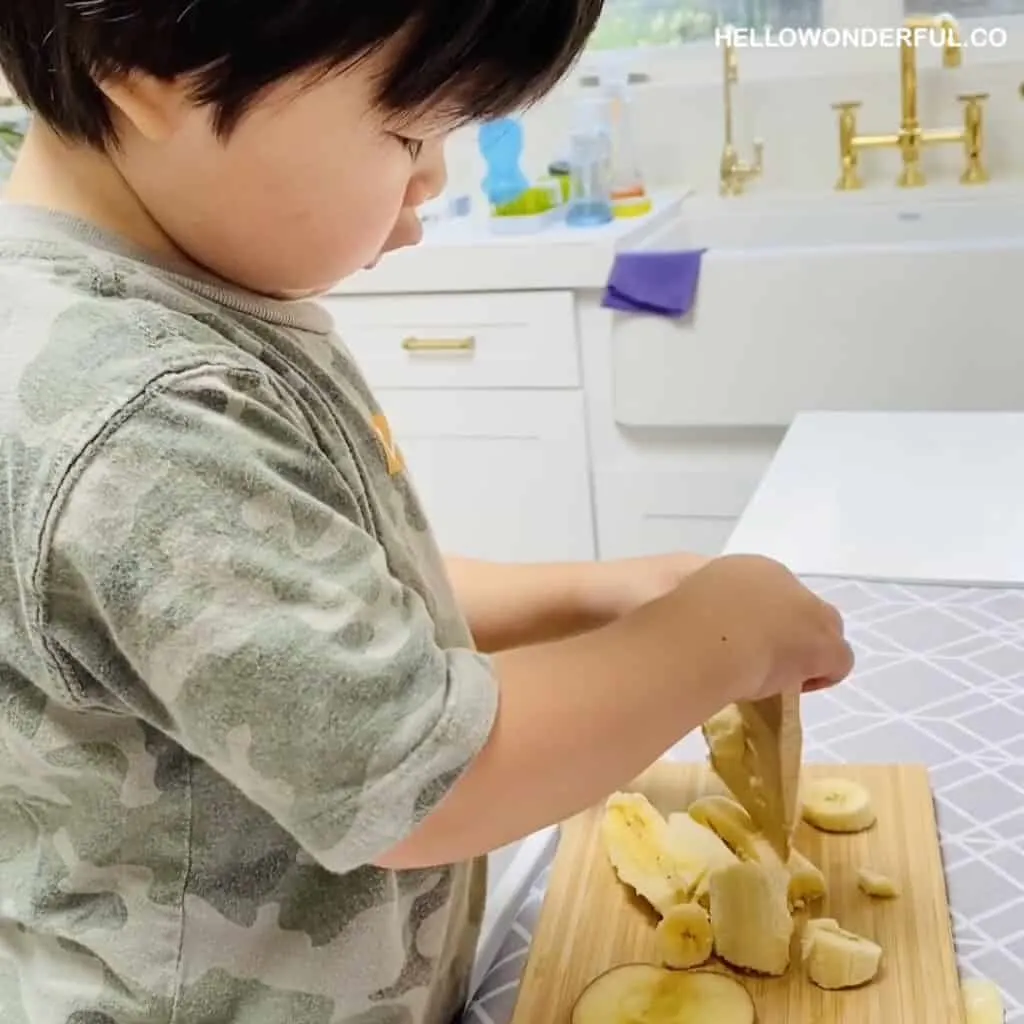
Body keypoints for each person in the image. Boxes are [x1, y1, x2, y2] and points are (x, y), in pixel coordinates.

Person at [0, 1, 855, 1021]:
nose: (432, 181)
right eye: (408, 132)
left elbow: (336, 603)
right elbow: (418, 779)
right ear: (151, 70)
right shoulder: (139, 412)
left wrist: (586, 592)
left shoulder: (174, 305)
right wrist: (714, 640)